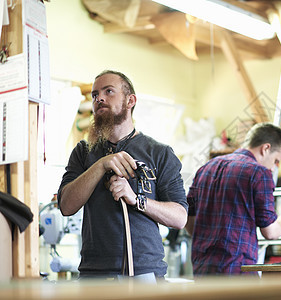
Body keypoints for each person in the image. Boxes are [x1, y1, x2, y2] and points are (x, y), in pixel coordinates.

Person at [57, 70, 187, 281]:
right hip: (94, 274)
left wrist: (137, 200)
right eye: (95, 94)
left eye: (109, 91)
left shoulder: (159, 153)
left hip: (144, 272)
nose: (99, 98)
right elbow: (66, 206)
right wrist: (101, 165)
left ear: (130, 100)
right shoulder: (83, 151)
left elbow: (180, 217)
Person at [185, 122, 281, 276]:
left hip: (202, 269)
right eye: (276, 161)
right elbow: (270, 232)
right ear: (266, 148)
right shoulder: (260, 173)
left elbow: (189, 220)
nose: (273, 168)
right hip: (237, 270)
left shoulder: (206, 168)